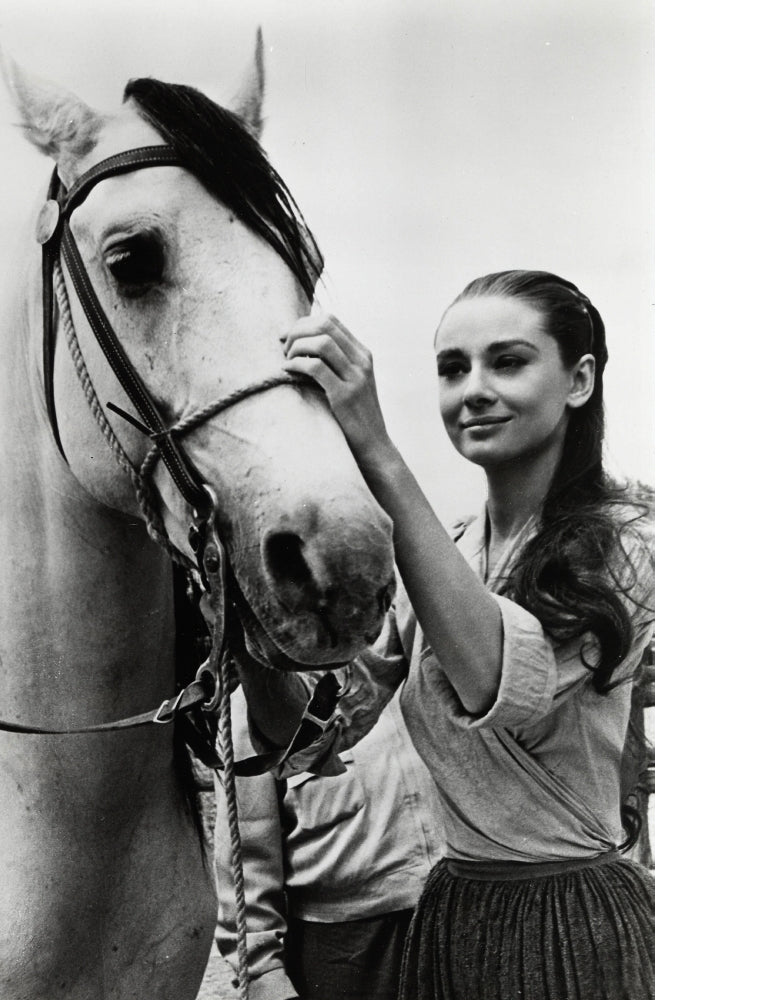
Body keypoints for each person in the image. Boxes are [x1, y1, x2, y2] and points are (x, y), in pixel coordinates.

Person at [236, 270, 655, 999]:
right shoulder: (450, 551)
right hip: (453, 918)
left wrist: (375, 449)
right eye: (453, 369)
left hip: (569, 926)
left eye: (509, 361)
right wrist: (252, 623)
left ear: (580, 379)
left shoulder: (632, 543)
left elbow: (494, 679)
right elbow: (311, 736)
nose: (473, 390)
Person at [212, 682, 444, 1000]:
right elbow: (246, 846)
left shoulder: (411, 656)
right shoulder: (262, 697)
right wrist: (261, 970)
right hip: (343, 945)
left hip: (454, 918)